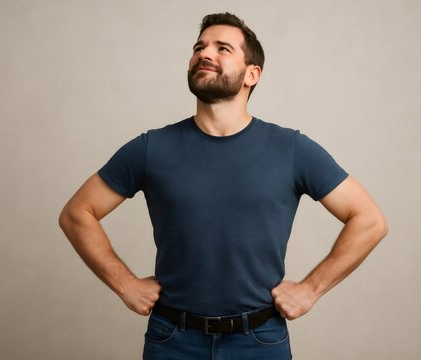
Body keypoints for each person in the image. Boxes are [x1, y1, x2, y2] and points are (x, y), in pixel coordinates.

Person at [59, 12, 388, 360]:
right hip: (173, 340)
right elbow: (76, 213)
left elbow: (369, 220)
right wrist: (125, 284)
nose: (205, 53)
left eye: (222, 48)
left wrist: (311, 289)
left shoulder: (291, 149)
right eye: (199, 47)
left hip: (259, 341)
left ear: (251, 74)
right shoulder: (151, 148)